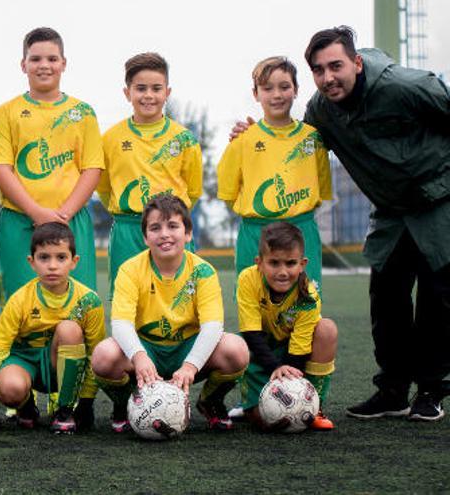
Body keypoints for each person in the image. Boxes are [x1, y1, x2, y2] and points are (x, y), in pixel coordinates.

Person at [232, 26, 449, 421]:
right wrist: (253, 134)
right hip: (392, 210)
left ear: (357, 62)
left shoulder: (404, 86)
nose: (328, 77)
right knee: (386, 294)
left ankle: (431, 390)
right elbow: (293, 141)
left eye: (336, 66)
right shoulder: (320, 110)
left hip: (439, 198)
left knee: (437, 296)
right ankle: (393, 390)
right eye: (319, 69)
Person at [91, 194, 249, 432]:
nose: (164, 233)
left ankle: (210, 402)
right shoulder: (130, 270)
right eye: (155, 228)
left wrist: (190, 366)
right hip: (147, 349)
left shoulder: (203, 272)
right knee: (104, 355)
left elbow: (213, 327)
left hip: (187, 347)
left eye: (173, 226)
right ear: (145, 237)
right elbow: (121, 323)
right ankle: (126, 405)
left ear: (188, 234)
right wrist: (139, 356)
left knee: (236, 350)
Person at [0, 27, 103, 305]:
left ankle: (77, 351)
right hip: (20, 220)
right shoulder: (7, 112)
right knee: (21, 305)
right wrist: (37, 212)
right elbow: (2, 168)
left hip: (72, 220)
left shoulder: (83, 113)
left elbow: (92, 168)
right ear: (23, 64)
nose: (44, 66)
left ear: (64, 63)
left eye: (52, 59)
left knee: (77, 304)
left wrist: (62, 215)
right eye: (36, 59)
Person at [0, 222, 105, 434]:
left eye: (61, 257)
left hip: (60, 370)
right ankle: (26, 409)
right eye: (44, 258)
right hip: (26, 362)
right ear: (32, 262)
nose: (52, 265)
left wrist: (87, 402)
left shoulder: (89, 301)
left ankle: (65, 411)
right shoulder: (19, 300)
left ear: (74, 262)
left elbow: (94, 354)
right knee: (9, 388)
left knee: (69, 330)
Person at [218, 56, 331, 286]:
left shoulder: (312, 138)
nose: (277, 95)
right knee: (254, 308)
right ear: (256, 94)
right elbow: (229, 194)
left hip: (302, 231)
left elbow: (322, 192)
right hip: (256, 233)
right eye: (267, 88)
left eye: (284, 87)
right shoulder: (243, 140)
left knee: (305, 307)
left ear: (296, 89)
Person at [98, 52, 202, 295]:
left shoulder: (184, 138)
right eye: (140, 88)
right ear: (127, 93)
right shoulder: (111, 138)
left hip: (172, 229)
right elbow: (103, 188)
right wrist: (129, 213)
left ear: (167, 92)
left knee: (180, 298)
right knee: (130, 300)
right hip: (127, 230)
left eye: (156, 88)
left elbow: (193, 190)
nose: (148, 95)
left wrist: (169, 220)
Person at [236, 222, 337, 431]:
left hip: (294, 356)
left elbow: (299, 350)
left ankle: (313, 405)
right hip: (260, 353)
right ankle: (251, 404)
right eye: (274, 263)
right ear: (259, 263)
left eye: (290, 263)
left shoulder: (308, 296)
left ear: (302, 264)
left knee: (327, 329)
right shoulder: (247, 279)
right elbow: (251, 333)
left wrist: (290, 384)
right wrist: (275, 368)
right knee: (261, 421)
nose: (282, 272)